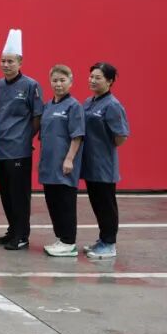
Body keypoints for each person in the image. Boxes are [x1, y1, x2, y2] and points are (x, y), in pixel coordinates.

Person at [0, 29, 44, 251]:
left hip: (20, 149)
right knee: (6, 193)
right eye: (3, 61)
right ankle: (12, 230)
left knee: (20, 194)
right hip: (1, 148)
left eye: (10, 61)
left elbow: (37, 116)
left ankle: (22, 235)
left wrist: (25, 138)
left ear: (20, 62)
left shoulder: (31, 85)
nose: (6, 65)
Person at [81, 62, 130, 259]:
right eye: (91, 76)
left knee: (106, 205)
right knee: (97, 203)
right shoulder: (89, 102)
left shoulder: (112, 105)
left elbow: (121, 136)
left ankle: (109, 243)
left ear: (109, 81)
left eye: (98, 78)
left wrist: (103, 149)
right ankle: (103, 239)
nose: (92, 80)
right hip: (90, 163)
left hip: (104, 165)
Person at [38, 65, 85, 257]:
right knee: (53, 202)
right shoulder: (48, 106)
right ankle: (60, 238)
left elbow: (77, 136)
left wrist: (69, 159)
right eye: (55, 80)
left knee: (66, 203)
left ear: (70, 82)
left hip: (64, 165)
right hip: (48, 164)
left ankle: (69, 242)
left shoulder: (74, 106)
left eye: (62, 80)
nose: (58, 84)